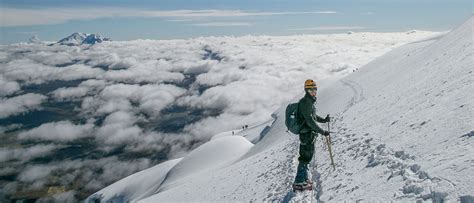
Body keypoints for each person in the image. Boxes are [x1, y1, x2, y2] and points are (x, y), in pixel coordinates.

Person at [293, 79, 330, 190]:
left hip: (309, 133)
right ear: (307, 90)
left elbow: (313, 116)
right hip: (306, 134)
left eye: (315, 89)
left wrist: (324, 120)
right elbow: (309, 120)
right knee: (305, 157)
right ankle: (299, 182)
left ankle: (304, 179)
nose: (314, 91)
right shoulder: (305, 102)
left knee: (307, 157)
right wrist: (322, 131)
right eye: (311, 89)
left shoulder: (309, 101)